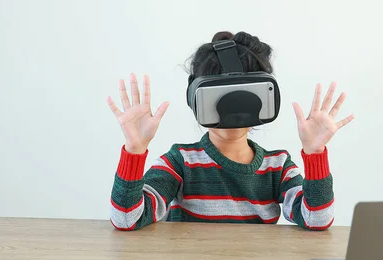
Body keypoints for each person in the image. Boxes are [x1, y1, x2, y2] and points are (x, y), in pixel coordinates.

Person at [106, 31, 354, 231]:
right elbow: (127, 218)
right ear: (195, 99)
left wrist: (315, 152)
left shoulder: (277, 167)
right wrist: (134, 150)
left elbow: (317, 219)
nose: (232, 110)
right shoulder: (180, 162)